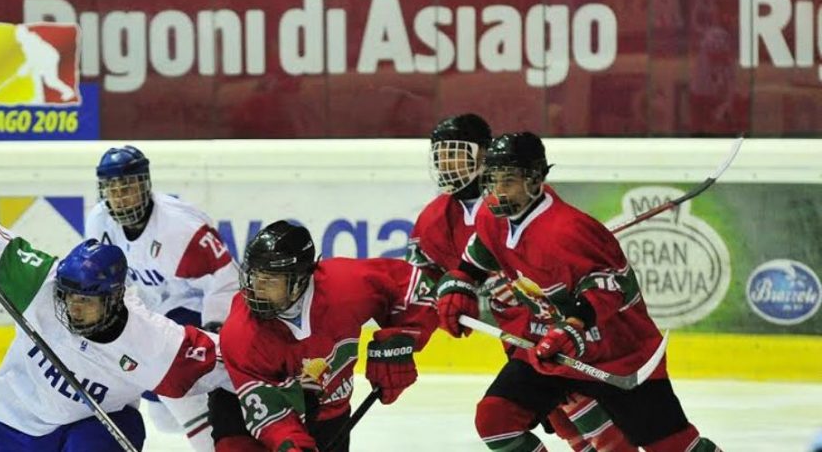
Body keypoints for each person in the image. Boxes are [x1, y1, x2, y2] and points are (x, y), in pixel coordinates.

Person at [0, 162, 230, 452]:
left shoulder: (149, 338)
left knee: (125, 427)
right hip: (17, 422)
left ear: (112, 300)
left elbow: (227, 359)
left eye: (85, 300)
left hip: (95, 424)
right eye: (68, 296)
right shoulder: (42, 284)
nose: (72, 307)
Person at [433, 132, 720, 451]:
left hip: (618, 354)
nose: (497, 191)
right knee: (495, 420)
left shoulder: (568, 230)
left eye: (508, 181)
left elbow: (609, 289)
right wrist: (458, 285)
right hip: (549, 348)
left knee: (674, 447)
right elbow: (478, 255)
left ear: (535, 179)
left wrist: (573, 327)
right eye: (492, 180)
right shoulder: (491, 218)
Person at [409, 115, 635, 451]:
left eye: (456, 152)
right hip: (518, 335)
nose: (447, 163)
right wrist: (449, 291)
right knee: (552, 419)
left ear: (483, 155)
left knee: (585, 410)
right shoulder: (433, 219)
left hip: (561, 326)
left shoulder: (520, 198)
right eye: (440, 155)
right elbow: (422, 279)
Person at [217, 221, 438, 452]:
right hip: (248, 412)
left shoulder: (346, 286)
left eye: (270, 280)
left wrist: (400, 341)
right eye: (255, 277)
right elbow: (269, 413)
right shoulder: (241, 331)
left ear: (299, 280)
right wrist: (291, 446)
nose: (257, 288)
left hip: (331, 413)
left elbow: (414, 287)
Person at [85, 145, 241, 451]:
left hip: (195, 310)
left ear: (145, 184)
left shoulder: (180, 227)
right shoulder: (99, 221)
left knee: (177, 389)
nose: (120, 196)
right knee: (163, 419)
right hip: (152, 312)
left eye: (127, 187)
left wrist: (215, 327)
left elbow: (226, 278)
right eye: (113, 189)